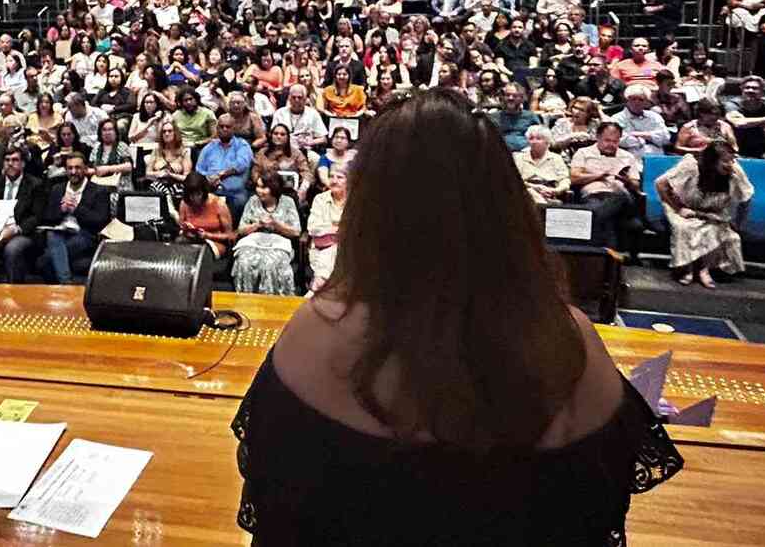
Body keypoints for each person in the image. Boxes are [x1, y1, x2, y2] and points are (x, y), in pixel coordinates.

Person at [231, 89, 682, 545]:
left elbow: (277, 507)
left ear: (371, 210)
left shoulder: (316, 332)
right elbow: (597, 513)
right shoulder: (571, 341)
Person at [655, 142, 753, 287]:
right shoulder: (691, 166)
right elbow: (660, 184)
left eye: (732, 160)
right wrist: (679, 208)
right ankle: (687, 269)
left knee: (717, 228)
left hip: (713, 212)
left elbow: (746, 196)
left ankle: (703, 269)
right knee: (685, 228)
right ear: (712, 161)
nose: (730, 164)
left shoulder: (735, 171)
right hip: (683, 208)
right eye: (725, 161)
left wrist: (738, 223)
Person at [40, 152, 112, 284]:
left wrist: (76, 209)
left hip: (84, 234)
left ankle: (65, 283)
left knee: (46, 259)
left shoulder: (98, 191)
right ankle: (66, 282)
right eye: (70, 168)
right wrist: (61, 210)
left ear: (85, 169)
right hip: (59, 232)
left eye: (78, 168)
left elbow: (101, 220)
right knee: (52, 235)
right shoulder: (57, 189)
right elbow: (47, 216)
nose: (73, 172)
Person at [570, 121, 642, 251]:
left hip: (623, 198)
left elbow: (636, 185)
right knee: (607, 218)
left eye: (615, 141)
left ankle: (594, 221)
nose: (611, 144)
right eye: (607, 140)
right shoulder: (583, 153)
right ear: (597, 137)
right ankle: (610, 254)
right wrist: (599, 175)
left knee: (619, 195)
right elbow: (574, 178)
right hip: (594, 196)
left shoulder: (628, 157)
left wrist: (626, 181)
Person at [0, 146, 44, 284]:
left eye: (15, 160)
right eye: (7, 160)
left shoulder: (35, 185)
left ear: (23, 163)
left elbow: (37, 217)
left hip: (23, 232)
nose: (10, 163)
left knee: (12, 249)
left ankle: (14, 290)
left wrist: (15, 230)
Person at [233, 171, 301, 295]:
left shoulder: (288, 202)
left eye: (263, 188)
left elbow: (296, 232)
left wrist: (276, 224)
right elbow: (241, 229)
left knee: (270, 265)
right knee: (244, 262)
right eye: (258, 187)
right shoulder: (253, 201)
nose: (259, 191)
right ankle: (246, 299)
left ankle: (272, 301)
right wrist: (257, 225)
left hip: (278, 243)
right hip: (253, 242)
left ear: (274, 189)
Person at [177, 171, 236, 277]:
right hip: (191, 239)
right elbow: (182, 227)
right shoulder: (185, 203)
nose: (194, 198)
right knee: (179, 249)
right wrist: (186, 230)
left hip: (214, 242)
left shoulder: (218, 204)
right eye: (191, 195)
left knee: (198, 256)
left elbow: (230, 236)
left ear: (203, 192)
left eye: (197, 194)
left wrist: (207, 235)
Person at [195, 113, 255, 217]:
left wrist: (220, 175)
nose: (224, 129)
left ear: (234, 128)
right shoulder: (209, 147)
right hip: (211, 191)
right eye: (221, 126)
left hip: (235, 193)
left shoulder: (242, 145)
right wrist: (208, 179)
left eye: (228, 127)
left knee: (241, 201)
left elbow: (241, 164)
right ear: (217, 128)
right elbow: (199, 170)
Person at [724, 75, 765, 159]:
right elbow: (739, 123)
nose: (750, 90)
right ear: (741, 89)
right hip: (736, 141)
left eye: (755, 88)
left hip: (758, 141)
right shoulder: (732, 104)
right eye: (747, 87)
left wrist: (752, 123)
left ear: (762, 91)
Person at [306, 167, 347, 295]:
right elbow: (312, 228)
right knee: (331, 251)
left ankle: (316, 287)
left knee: (334, 251)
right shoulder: (320, 199)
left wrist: (328, 229)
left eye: (339, 177)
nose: (334, 180)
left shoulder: (356, 201)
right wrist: (338, 229)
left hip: (348, 251)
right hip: (320, 249)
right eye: (331, 176)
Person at [611, 84, 670, 159]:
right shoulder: (617, 118)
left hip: (657, 157)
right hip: (630, 158)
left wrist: (642, 134)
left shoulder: (655, 117)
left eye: (641, 100)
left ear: (646, 102)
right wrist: (651, 138)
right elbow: (619, 140)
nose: (637, 102)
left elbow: (666, 137)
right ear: (627, 100)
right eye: (633, 99)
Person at [515, 124, 571, 204]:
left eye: (538, 138)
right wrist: (534, 187)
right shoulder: (519, 157)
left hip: (550, 191)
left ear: (547, 142)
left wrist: (555, 191)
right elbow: (515, 180)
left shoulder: (556, 158)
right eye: (531, 138)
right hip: (526, 191)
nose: (534, 142)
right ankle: (543, 206)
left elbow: (564, 180)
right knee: (530, 192)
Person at [271, 83, 328, 155]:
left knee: (316, 158)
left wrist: (310, 142)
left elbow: (324, 139)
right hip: (283, 150)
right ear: (289, 98)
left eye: (300, 97)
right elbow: (272, 135)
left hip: (306, 151)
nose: (296, 100)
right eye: (293, 97)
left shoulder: (313, 114)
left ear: (305, 99)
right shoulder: (279, 113)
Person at [146, 119, 192, 197]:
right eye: (164, 132)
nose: (166, 134)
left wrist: (171, 175)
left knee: (177, 189)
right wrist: (159, 173)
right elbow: (147, 173)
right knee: (155, 187)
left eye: (170, 131)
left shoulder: (184, 152)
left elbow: (186, 178)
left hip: (177, 186)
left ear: (175, 133)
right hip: (158, 186)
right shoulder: (156, 151)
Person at [492, 82, 542, 153]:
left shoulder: (530, 116)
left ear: (522, 98)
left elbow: (540, 137)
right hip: (501, 153)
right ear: (503, 97)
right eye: (507, 95)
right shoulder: (493, 117)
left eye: (515, 96)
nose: (510, 98)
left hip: (525, 153)